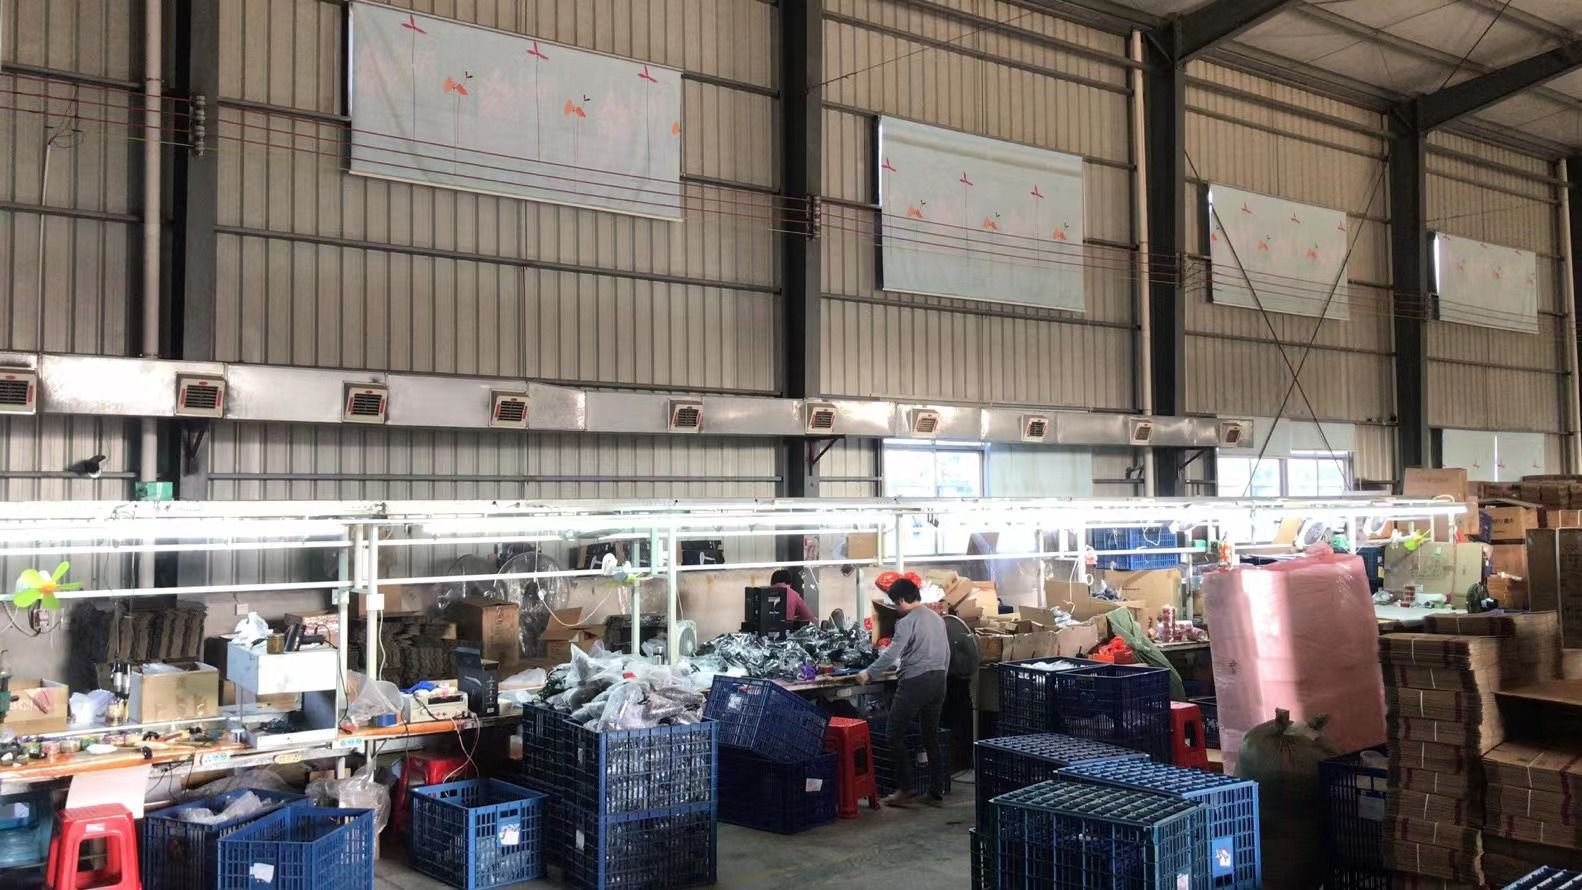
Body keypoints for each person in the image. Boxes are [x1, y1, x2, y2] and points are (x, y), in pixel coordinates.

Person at [858, 577, 949, 807]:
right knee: (930, 736)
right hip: (939, 680)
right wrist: (940, 676)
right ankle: (936, 791)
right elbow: (946, 652)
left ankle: (905, 790)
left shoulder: (907, 621)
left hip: (915, 681)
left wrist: (869, 673)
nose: (895, 608)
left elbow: (891, 653)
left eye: (894, 604)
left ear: (900, 601)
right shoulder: (937, 618)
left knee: (893, 733)